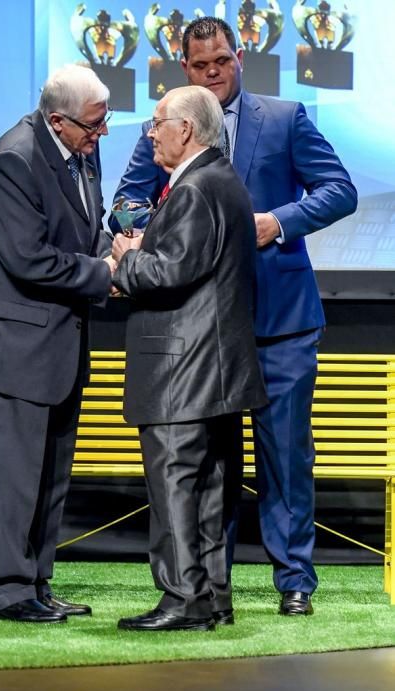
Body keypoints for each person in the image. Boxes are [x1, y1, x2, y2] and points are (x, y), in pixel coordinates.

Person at [109, 17, 358, 615]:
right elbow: (123, 202)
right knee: (211, 459)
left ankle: (294, 579)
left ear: (240, 55)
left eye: (222, 60)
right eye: (200, 65)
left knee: (285, 453)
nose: (213, 72)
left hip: (281, 319)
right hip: (204, 327)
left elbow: (339, 189)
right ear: (184, 67)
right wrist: (147, 231)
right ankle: (207, 587)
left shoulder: (284, 117)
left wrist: (280, 222)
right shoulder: (170, 123)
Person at [111, 85, 267, 632]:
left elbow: (168, 271)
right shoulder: (221, 181)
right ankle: (209, 599)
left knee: (178, 486)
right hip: (214, 370)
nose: (150, 133)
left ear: (186, 129)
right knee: (208, 490)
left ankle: (182, 599)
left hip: (184, 371)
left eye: (157, 123)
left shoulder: (197, 189)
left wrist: (129, 258)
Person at [0, 64, 115, 623]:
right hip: (15, 348)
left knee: (49, 477)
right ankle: (5, 592)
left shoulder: (81, 145)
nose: (100, 136)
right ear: (58, 119)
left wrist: (113, 244)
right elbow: (28, 260)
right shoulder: (14, 160)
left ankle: (36, 584)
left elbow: (85, 225)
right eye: (92, 126)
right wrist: (106, 274)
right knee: (14, 478)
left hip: (62, 345)